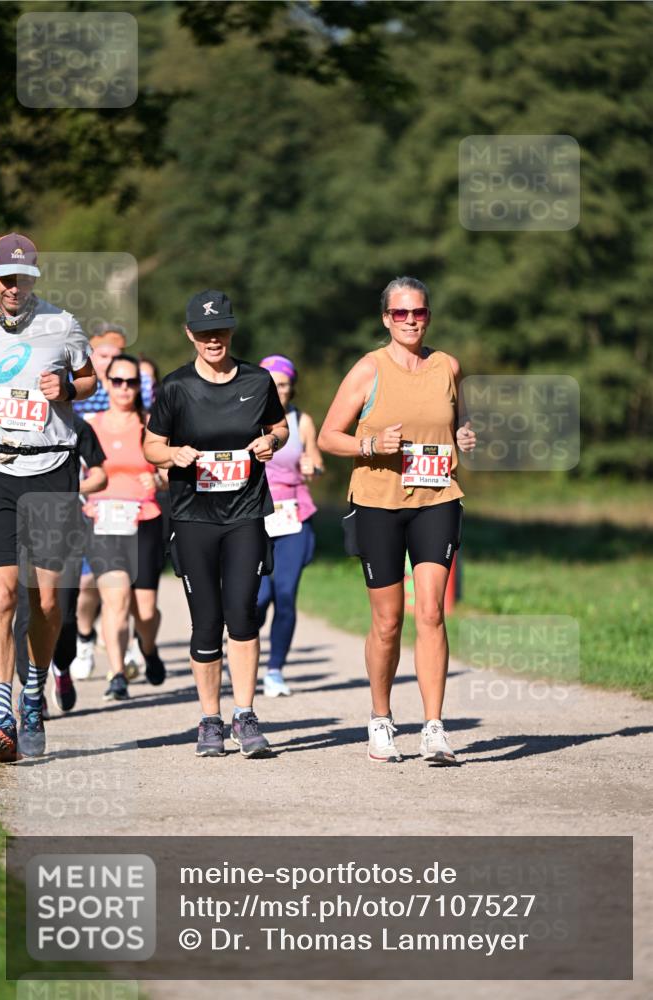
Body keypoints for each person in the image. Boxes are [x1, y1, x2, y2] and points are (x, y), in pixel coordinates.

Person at [318, 276, 476, 765]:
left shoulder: (448, 366)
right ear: (386, 318)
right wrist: (370, 444)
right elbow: (328, 436)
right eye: (401, 313)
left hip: (437, 498)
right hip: (378, 504)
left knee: (430, 612)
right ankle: (381, 719)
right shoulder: (369, 369)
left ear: (429, 316)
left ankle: (434, 728)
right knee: (388, 622)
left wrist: (466, 436)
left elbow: (459, 422)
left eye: (419, 312)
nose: (411, 321)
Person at [144, 289, 288, 758]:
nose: (213, 339)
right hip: (193, 517)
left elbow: (280, 427)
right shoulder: (175, 387)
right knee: (206, 622)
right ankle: (209, 720)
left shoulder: (258, 380)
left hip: (245, 513)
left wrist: (271, 443)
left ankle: (245, 716)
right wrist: (173, 454)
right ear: (190, 333)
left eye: (221, 330)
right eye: (205, 332)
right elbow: (151, 445)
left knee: (243, 613)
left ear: (231, 331)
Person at [0, 233, 96, 761]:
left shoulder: (62, 324)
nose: (14, 286)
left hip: (51, 469)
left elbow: (90, 378)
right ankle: (3, 717)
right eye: (6, 277)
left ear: (35, 277)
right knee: (1, 595)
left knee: (46, 600)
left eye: (23, 277)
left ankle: (34, 693)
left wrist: (69, 390)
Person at [83, 355, 166, 701]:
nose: (124, 388)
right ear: (107, 383)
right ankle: (117, 673)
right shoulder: (90, 425)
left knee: (143, 611)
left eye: (131, 382)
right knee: (114, 600)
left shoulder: (151, 424)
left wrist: (158, 479)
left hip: (144, 519)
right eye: (117, 381)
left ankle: (148, 648)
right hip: (103, 521)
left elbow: (169, 471)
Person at [14, 414, 108, 714]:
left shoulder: (77, 426)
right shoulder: (10, 423)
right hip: (23, 529)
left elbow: (100, 476)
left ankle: (62, 667)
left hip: (66, 531)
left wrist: (67, 491)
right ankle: (32, 690)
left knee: (63, 612)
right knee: (27, 612)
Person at [256, 354, 323, 697]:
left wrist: (312, 467)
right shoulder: (246, 418)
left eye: (283, 384)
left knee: (285, 594)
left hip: (293, 516)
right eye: (271, 384)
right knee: (258, 598)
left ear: (291, 387)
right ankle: (243, 652)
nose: (278, 390)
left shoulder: (301, 421)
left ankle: (275, 670)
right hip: (254, 516)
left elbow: (316, 462)